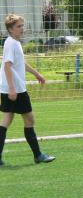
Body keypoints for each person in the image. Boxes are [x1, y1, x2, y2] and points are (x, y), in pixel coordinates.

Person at [0, 14, 55, 166]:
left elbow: (20, 62)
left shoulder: (13, 42)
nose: (22, 29)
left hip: (9, 88)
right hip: (15, 89)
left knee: (6, 120)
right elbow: (7, 66)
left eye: (22, 25)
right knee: (30, 119)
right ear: (10, 29)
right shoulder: (11, 43)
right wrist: (12, 89)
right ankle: (38, 155)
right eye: (18, 26)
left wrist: (37, 74)